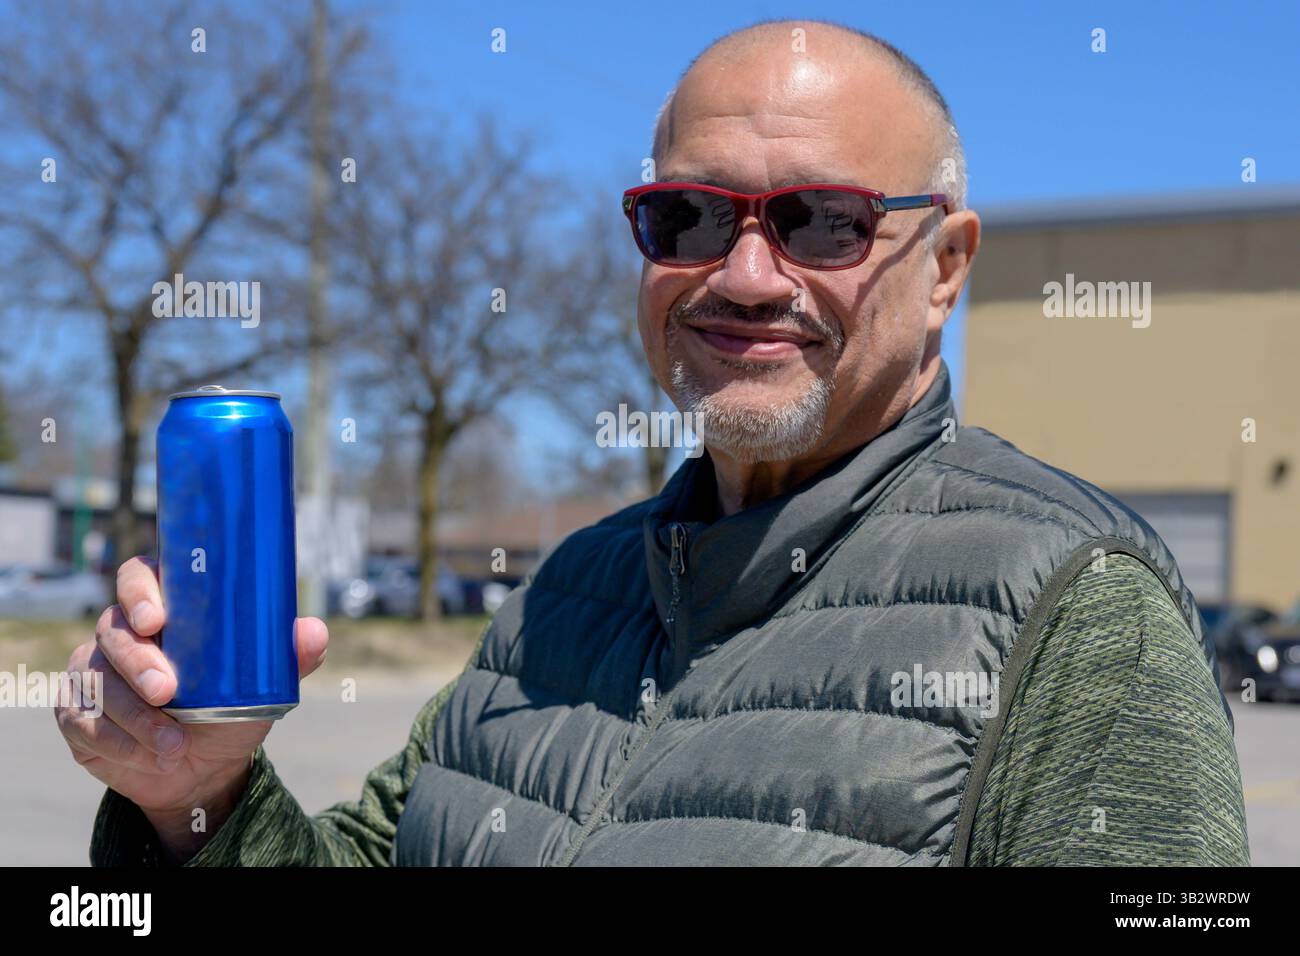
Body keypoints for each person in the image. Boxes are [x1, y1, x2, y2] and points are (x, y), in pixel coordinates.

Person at [64, 19, 1249, 866]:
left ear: (942, 269)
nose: (743, 275)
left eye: (820, 222)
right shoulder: (564, 592)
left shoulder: (1081, 612)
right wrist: (195, 797)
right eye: (686, 216)